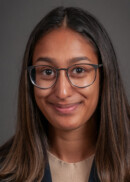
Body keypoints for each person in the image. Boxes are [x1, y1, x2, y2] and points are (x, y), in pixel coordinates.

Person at [0, 6, 129, 182]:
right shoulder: (4, 168)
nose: (62, 91)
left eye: (78, 69)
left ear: (105, 76)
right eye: (47, 72)